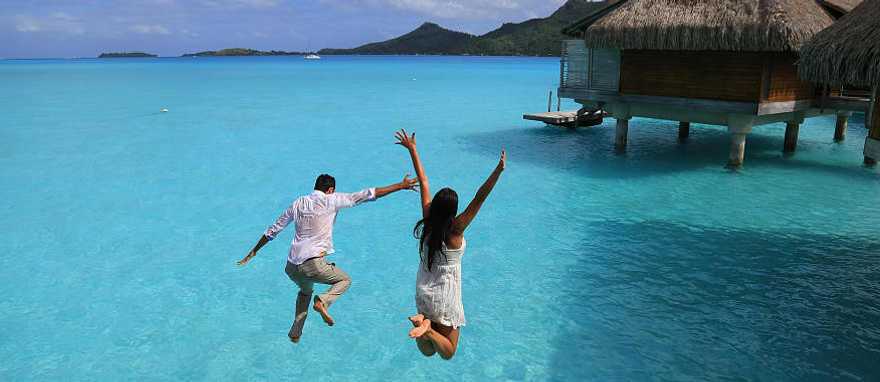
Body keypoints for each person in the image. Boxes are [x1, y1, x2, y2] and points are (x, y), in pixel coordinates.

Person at [237, 173, 417, 343]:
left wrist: (253, 252)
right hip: (313, 264)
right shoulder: (333, 200)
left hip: (292, 267)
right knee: (345, 280)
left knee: (305, 291)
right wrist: (401, 186)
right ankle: (323, 301)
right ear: (330, 190)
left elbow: (273, 230)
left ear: (315, 187)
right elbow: (369, 194)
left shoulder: (299, 202)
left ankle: (295, 333)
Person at [394, 129, 505, 360]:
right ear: (453, 211)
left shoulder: (427, 221)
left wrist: (413, 149)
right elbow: (479, 198)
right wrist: (498, 171)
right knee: (447, 353)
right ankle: (426, 329)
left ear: (434, 206)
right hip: (445, 298)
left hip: (423, 293)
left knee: (426, 351)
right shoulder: (456, 230)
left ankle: (425, 326)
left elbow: (423, 181)